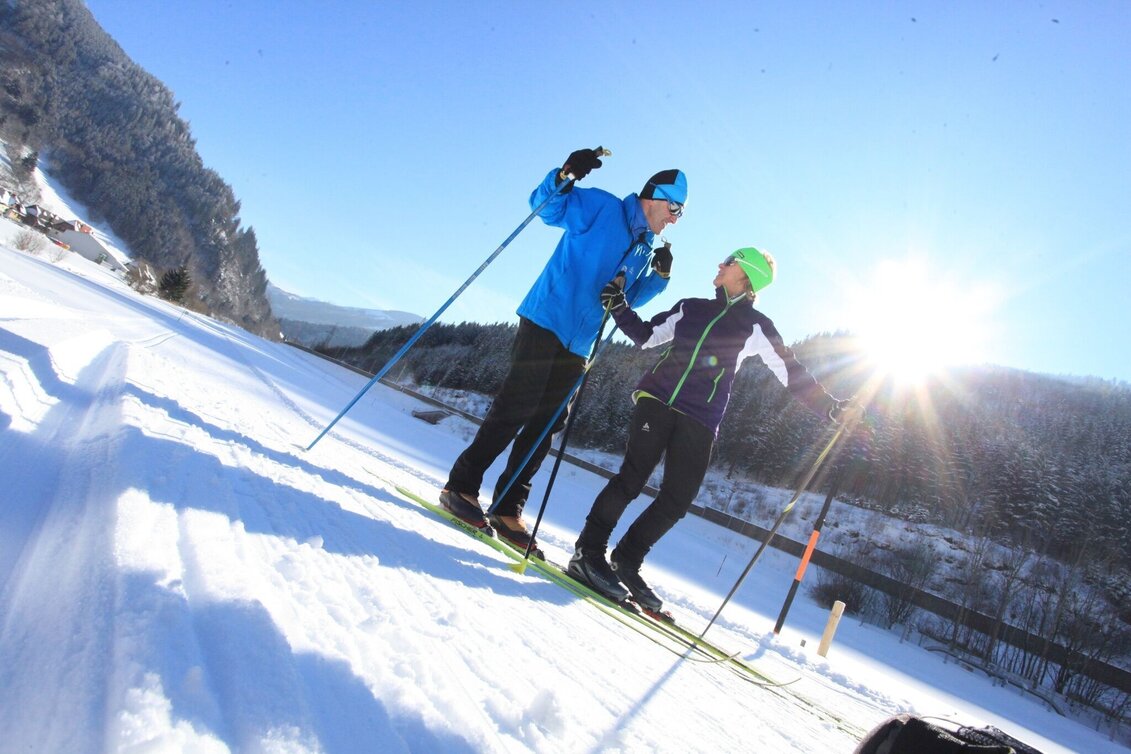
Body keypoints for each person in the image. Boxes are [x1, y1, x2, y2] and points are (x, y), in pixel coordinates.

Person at [568, 247, 850, 610]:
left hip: (701, 418)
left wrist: (829, 408)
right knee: (631, 479)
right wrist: (618, 305)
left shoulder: (756, 326)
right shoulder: (691, 307)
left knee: (676, 501)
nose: (720, 264)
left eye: (730, 262)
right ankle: (587, 553)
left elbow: (790, 371)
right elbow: (645, 336)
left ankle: (626, 560)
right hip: (657, 400)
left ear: (746, 276)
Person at [440, 147, 688, 557]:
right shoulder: (602, 207)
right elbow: (547, 210)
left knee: (546, 426)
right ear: (655, 197)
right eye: (674, 208)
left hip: (581, 342)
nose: (676, 218)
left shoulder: (644, 247)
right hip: (548, 318)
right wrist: (566, 175)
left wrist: (659, 278)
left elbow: (628, 297)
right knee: (515, 408)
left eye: (681, 213)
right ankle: (462, 486)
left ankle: (506, 509)